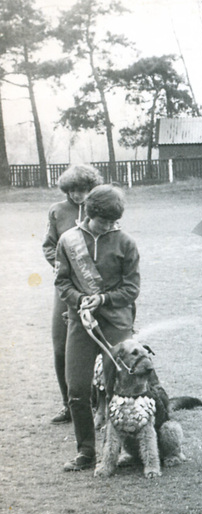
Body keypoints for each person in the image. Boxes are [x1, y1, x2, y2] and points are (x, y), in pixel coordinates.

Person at [55, 184, 140, 471]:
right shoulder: (68, 240)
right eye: (104, 220)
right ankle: (86, 452)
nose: (109, 226)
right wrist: (81, 301)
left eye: (114, 221)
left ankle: (117, 451)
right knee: (77, 389)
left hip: (117, 323)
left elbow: (131, 288)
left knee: (121, 390)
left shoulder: (126, 242)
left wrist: (102, 298)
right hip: (81, 323)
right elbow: (62, 283)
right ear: (90, 214)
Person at [42, 165, 102, 424]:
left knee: (98, 344)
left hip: (95, 290)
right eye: (74, 191)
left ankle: (100, 405)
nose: (79, 196)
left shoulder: (99, 208)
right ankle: (70, 404)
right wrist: (62, 267)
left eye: (84, 190)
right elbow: (48, 246)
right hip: (65, 289)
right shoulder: (57, 211)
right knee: (61, 346)